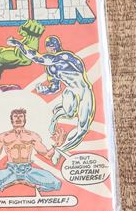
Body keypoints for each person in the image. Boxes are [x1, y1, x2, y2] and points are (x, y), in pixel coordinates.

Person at [7, 34, 95, 164]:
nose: (51, 48)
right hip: (70, 91)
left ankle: (60, 150)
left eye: (53, 45)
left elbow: (37, 58)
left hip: (83, 90)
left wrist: (18, 44)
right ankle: (55, 117)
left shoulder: (65, 57)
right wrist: (44, 90)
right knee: (69, 114)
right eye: (49, 46)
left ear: (58, 46)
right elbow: (54, 88)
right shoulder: (51, 68)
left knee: (83, 128)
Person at [0, 108, 63, 193]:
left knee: (56, 183)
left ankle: (23, 182)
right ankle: (17, 182)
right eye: (15, 116)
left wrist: (56, 145)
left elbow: (47, 155)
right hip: (10, 171)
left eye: (21, 116)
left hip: (28, 171)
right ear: (11, 119)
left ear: (25, 119)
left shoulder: (32, 136)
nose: (18, 118)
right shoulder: (3, 137)